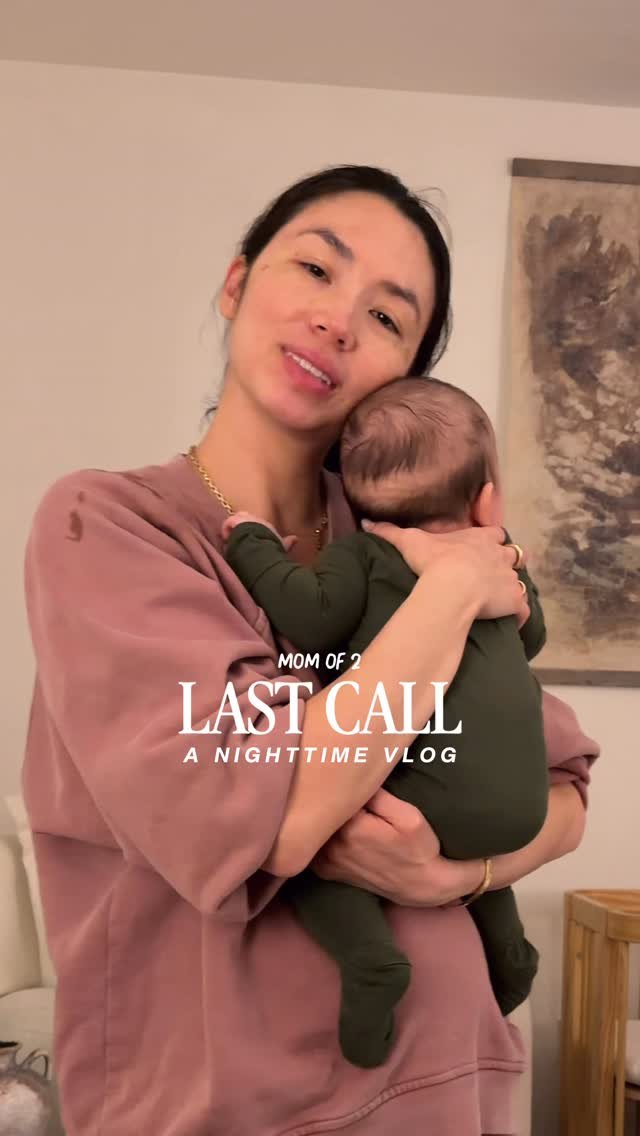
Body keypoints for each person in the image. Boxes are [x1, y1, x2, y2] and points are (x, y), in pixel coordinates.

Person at [22, 165, 599, 1136]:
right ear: (237, 282)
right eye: (317, 269)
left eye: (387, 317)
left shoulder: (398, 542)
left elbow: (565, 793)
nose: (338, 321)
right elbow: (280, 812)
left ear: (404, 377)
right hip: (222, 1110)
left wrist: (459, 877)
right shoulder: (108, 525)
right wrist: (454, 590)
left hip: (453, 1088)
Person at [222, 376, 548, 1069]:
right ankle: (511, 951)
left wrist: (253, 543)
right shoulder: (496, 555)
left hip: (425, 801)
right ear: (486, 500)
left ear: (354, 499)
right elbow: (532, 637)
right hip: (524, 808)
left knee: (313, 860)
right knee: (471, 832)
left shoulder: (364, 554)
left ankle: (372, 961)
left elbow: (309, 620)